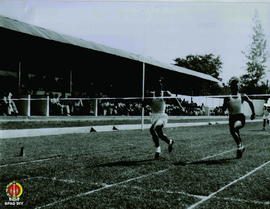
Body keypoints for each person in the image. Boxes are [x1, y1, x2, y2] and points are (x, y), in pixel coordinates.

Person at [147, 77, 185, 160]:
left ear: (162, 86)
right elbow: (146, 104)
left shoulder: (165, 93)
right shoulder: (151, 94)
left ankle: (158, 151)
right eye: (157, 85)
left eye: (160, 84)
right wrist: (144, 101)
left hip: (162, 117)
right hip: (153, 116)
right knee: (160, 135)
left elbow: (175, 99)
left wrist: (181, 107)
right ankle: (170, 141)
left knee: (152, 129)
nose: (159, 86)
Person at [222, 77, 255, 159]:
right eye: (234, 86)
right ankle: (241, 148)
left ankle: (240, 146)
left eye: (237, 85)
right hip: (231, 117)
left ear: (239, 87)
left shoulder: (242, 96)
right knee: (235, 131)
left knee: (234, 128)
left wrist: (253, 113)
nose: (235, 87)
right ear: (231, 87)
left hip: (240, 118)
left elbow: (250, 102)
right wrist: (226, 103)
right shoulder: (227, 97)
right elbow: (223, 109)